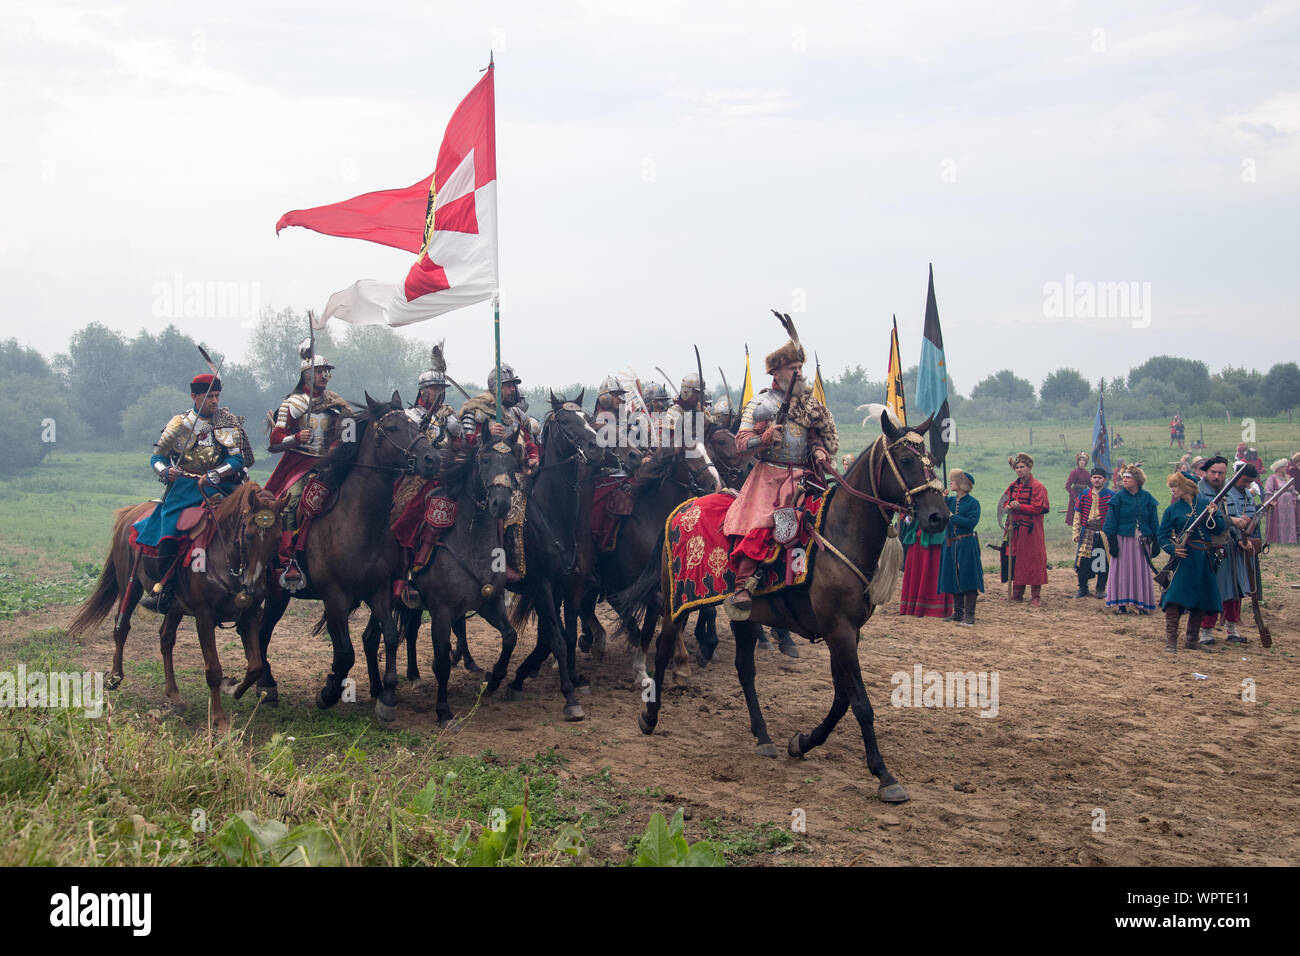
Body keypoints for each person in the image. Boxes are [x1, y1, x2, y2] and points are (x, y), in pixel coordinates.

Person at [723, 316, 837, 619]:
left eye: (800, 367)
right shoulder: (760, 405)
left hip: (805, 475)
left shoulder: (807, 405)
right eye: (792, 368)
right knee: (762, 526)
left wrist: (820, 451)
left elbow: (813, 437)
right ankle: (743, 585)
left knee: (819, 521)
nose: (799, 373)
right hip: (770, 477)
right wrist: (764, 437)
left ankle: (805, 576)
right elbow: (740, 444)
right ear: (776, 371)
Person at [134, 374, 253, 612]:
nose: (215, 401)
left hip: (221, 484)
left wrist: (217, 474)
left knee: (253, 520)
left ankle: (259, 582)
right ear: (194, 396)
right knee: (170, 531)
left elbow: (238, 459)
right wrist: (165, 471)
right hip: (186, 487)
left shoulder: (225, 422)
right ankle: (165, 591)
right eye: (209, 396)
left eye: (217, 396)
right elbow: (156, 457)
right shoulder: (179, 424)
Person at [263, 343, 352, 587]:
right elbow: (274, 441)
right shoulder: (293, 404)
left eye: (327, 371)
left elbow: (349, 436)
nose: (326, 376)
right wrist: (295, 438)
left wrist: (341, 445)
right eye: (321, 371)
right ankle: (288, 559)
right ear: (307, 374)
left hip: (331, 465)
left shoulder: (337, 404)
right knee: (291, 503)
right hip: (300, 464)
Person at [1158, 472, 1223, 652]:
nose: (1173, 490)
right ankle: (1171, 641)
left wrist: (1215, 514)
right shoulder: (1172, 510)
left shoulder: (1205, 505)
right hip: (1185, 558)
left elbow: (1218, 529)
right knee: (1174, 599)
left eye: (1175, 486)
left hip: (1204, 558)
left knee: (1201, 598)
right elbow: (1162, 536)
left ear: (1186, 486)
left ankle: (1192, 640)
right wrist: (1173, 549)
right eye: (1171, 486)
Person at [1200, 460, 1259, 645]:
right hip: (1207, 547)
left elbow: (1234, 520)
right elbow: (1206, 520)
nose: (1217, 476)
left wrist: (1243, 540)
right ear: (1206, 472)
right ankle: (1205, 631)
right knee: (1210, 591)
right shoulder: (1199, 492)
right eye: (1213, 472)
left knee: (1233, 589)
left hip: (1229, 546)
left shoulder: (1227, 493)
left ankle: (1231, 628)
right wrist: (1232, 521)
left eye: (1221, 473)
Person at [459, 362, 541, 471]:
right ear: (496, 387)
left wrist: (532, 457)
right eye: (508, 385)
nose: (513, 389)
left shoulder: (517, 414)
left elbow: (528, 444)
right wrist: (487, 434)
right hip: (485, 471)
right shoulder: (478, 412)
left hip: (514, 469)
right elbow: (466, 443)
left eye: (514, 385)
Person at [1102, 464, 1160, 614]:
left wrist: (1156, 541)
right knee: (1122, 571)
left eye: (1129, 478)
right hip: (1123, 540)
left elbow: (1154, 521)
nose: (1125, 480)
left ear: (1137, 481)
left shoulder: (1147, 498)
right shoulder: (1118, 498)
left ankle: (1141, 604)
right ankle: (1121, 604)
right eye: (1124, 477)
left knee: (1141, 571)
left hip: (1142, 541)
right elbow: (1110, 522)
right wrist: (1112, 543)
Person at [1002, 453, 1049, 606]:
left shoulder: (1038, 487)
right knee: (1016, 560)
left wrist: (1019, 506)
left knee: (1034, 560)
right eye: (1017, 467)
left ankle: (1036, 595)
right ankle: (1017, 593)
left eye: (1022, 467)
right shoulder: (1013, 486)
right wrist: (1009, 506)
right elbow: (1004, 503)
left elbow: (1038, 507)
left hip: (1032, 531)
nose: (1019, 470)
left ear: (1029, 468)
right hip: (1015, 531)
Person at [938, 469, 983, 626]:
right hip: (951, 544)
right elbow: (940, 512)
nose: (951, 483)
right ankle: (957, 613)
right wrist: (941, 498)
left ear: (962, 484)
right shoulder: (949, 501)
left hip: (966, 544)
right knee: (953, 576)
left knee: (968, 577)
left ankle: (969, 615)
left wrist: (952, 517)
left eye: (954, 480)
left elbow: (971, 523)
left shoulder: (973, 503)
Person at [899, 503, 952, 618]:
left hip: (934, 542)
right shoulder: (915, 502)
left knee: (934, 574)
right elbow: (905, 520)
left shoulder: (941, 502)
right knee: (916, 573)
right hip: (917, 541)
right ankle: (913, 606)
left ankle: (932, 608)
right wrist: (910, 518)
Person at [1072, 467, 1112, 598]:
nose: (1097, 480)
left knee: (1101, 560)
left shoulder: (1111, 495)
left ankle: (1100, 589)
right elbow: (1077, 514)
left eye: (1100, 478)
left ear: (1104, 480)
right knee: (1082, 561)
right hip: (1087, 531)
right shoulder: (1084, 494)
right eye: (1095, 477)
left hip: (1102, 533)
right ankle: (1082, 588)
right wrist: (1076, 532)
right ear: (1091, 479)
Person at [1265, 459, 1298, 545]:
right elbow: (1269, 491)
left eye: (1285, 467)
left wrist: (1294, 500)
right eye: (1283, 467)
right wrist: (1270, 501)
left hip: (1288, 503)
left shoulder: (1288, 478)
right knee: (1280, 520)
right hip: (1278, 503)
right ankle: (1280, 539)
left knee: (1289, 520)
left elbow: (1293, 490)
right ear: (1278, 468)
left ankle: (1290, 539)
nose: (1285, 469)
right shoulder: (1272, 478)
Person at [1064, 452, 1090, 526]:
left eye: (1084, 460)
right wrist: (1074, 496)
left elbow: (1091, 486)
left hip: (1084, 496)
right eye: (1080, 460)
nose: (1082, 462)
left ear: (1086, 463)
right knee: (1074, 513)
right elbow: (1067, 486)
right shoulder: (1074, 472)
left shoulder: (1087, 474)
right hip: (1074, 495)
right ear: (1078, 462)